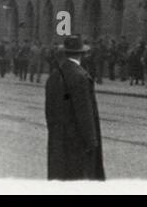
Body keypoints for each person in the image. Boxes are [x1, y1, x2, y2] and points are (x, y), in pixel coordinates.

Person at [45, 35, 105, 180]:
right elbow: (85, 113)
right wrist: (91, 141)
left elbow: (49, 112)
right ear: (82, 54)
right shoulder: (81, 77)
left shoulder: (53, 76)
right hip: (77, 141)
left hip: (57, 138)